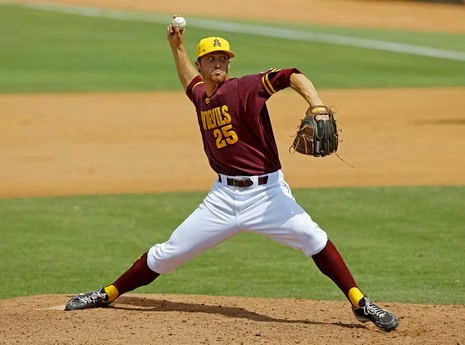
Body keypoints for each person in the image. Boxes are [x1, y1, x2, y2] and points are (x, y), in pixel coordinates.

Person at [64, 21, 398, 332]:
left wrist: (317, 104)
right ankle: (108, 293)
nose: (219, 63)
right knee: (169, 253)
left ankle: (361, 303)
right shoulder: (201, 96)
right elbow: (188, 81)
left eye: (224, 57)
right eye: (212, 58)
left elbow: (291, 75)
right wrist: (175, 47)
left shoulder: (244, 88)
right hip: (222, 199)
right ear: (201, 64)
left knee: (314, 239)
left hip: (268, 197)